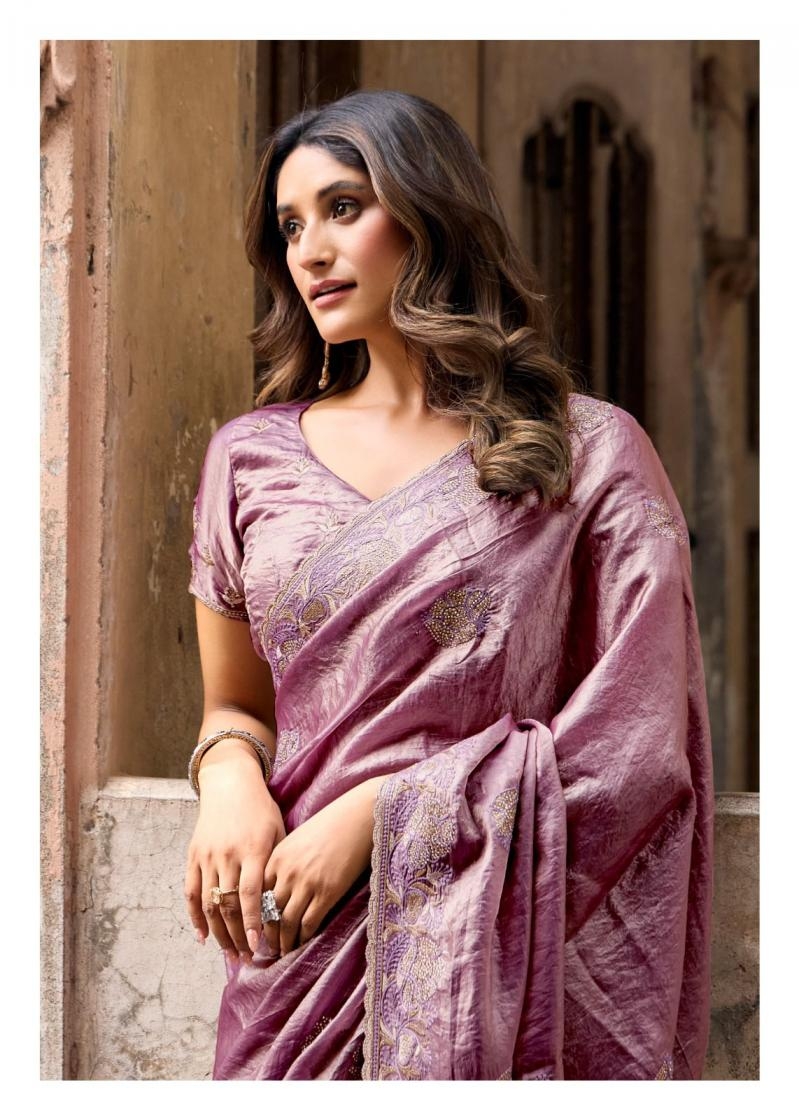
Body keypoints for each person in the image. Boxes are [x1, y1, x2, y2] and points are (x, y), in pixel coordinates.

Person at [185, 89, 714, 1081]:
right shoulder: (247, 458)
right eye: (290, 226)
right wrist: (227, 782)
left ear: (428, 211)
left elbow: (637, 746)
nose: (310, 250)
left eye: (344, 209)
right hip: (291, 946)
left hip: (490, 963)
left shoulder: (588, 451)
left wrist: (382, 815)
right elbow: (235, 704)